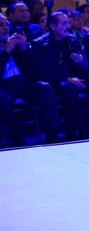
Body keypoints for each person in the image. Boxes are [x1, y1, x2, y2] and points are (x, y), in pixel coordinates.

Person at [32, 12, 89, 140]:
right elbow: (42, 72)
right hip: (56, 81)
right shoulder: (40, 44)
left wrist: (81, 62)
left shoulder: (73, 40)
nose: (68, 26)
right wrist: (66, 79)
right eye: (64, 23)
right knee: (68, 88)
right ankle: (71, 131)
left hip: (75, 78)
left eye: (68, 22)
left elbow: (85, 68)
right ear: (53, 27)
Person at [0, 13, 61, 145]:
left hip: (23, 81)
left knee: (45, 88)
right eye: (1, 25)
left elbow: (35, 69)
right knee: (3, 99)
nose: (5, 28)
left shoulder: (14, 43)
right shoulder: (9, 46)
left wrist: (23, 49)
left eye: (6, 24)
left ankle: (52, 135)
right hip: (3, 86)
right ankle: (16, 139)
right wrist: (6, 51)